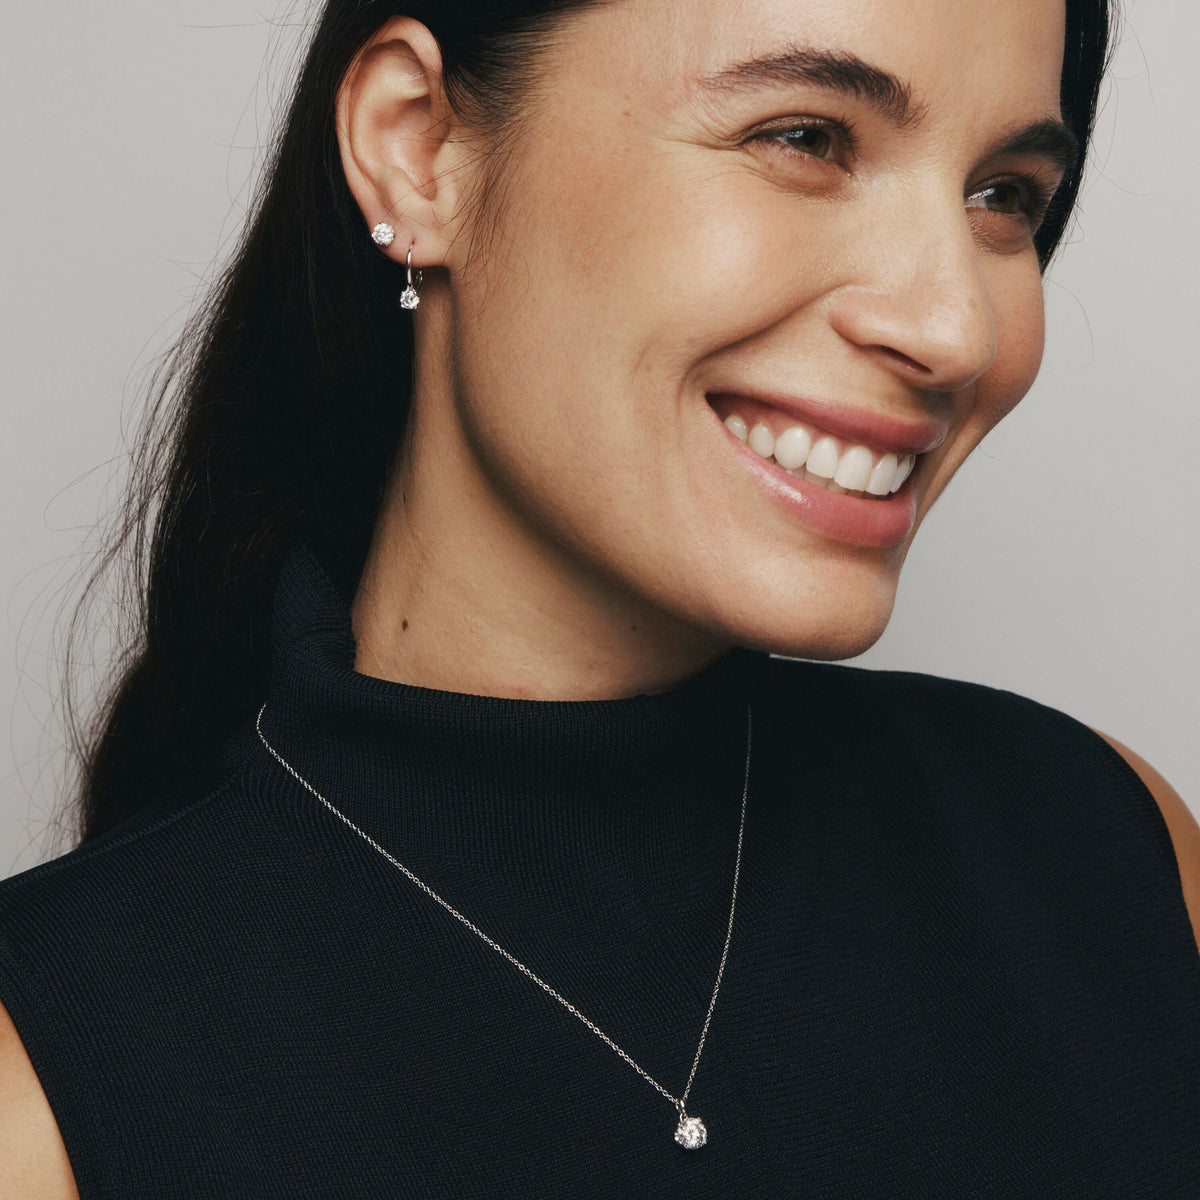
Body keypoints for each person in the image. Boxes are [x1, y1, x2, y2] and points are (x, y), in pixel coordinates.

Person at [1, 0, 1197, 1194]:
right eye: (807, 138)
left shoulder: (1112, 853)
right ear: (417, 150)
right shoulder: (52, 1089)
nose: (954, 326)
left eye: (1004, 195)